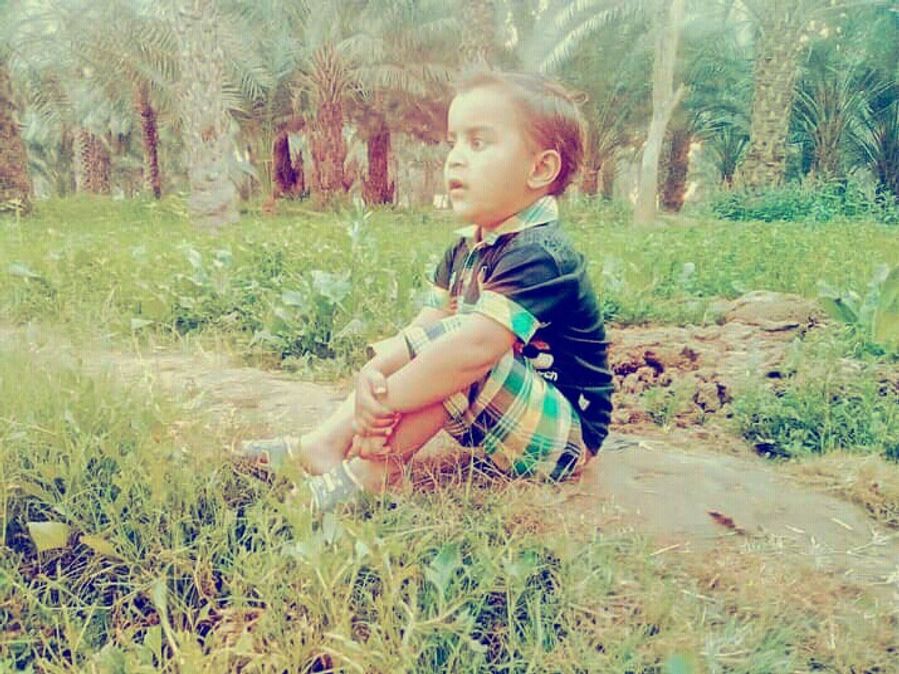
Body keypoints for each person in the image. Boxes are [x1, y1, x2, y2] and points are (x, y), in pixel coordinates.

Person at [237, 70, 614, 512]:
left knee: (463, 348)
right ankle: (322, 444)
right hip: (502, 413)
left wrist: (382, 405)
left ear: (540, 169)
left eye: (478, 143)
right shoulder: (466, 247)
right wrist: (375, 374)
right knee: (444, 344)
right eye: (453, 142)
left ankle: (374, 474)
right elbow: (425, 328)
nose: (455, 159)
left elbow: (472, 350)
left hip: (565, 435)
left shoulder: (543, 254)